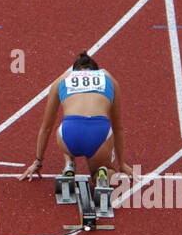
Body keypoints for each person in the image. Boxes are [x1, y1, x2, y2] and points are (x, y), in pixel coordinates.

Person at [19, 51, 132, 183]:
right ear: (96, 70)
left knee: (65, 123)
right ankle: (103, 172)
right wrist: (122, 164)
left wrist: (38, 162)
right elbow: (118, 127)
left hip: (70, 135)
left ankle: (69, 165)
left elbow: (46, 127)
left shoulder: (63, 79)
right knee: (105, 169)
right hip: (99, 135)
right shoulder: (108, 78)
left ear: (75, 71)